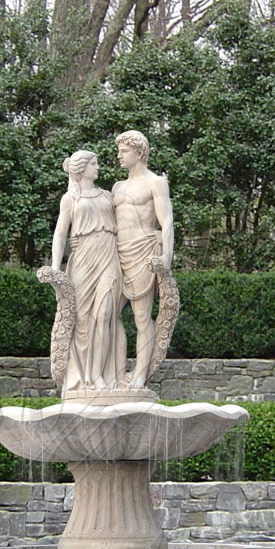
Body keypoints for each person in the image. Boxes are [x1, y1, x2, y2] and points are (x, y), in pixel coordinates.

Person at [50, 150, 122, 392]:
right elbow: (60, 235)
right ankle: (81, 379)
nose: (98, 168)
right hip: (82, 262)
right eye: (94, 163)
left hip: (109, 258)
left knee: (104, 315)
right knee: (82, 321)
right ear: (81, 169)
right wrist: (54, 269)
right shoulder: (70, 198)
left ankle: (98, 375)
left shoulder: (107, 195)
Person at [112, 130, 174, 389]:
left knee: (140, 317)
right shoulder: (117, 187)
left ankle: (139, 373)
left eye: (123, 151)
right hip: (116, 255)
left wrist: (167, 256)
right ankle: (114, 374)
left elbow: (167, 219)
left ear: (139, 152)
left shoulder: (155, 182)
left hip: (143, 252)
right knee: (107, 315)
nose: (119, 156)